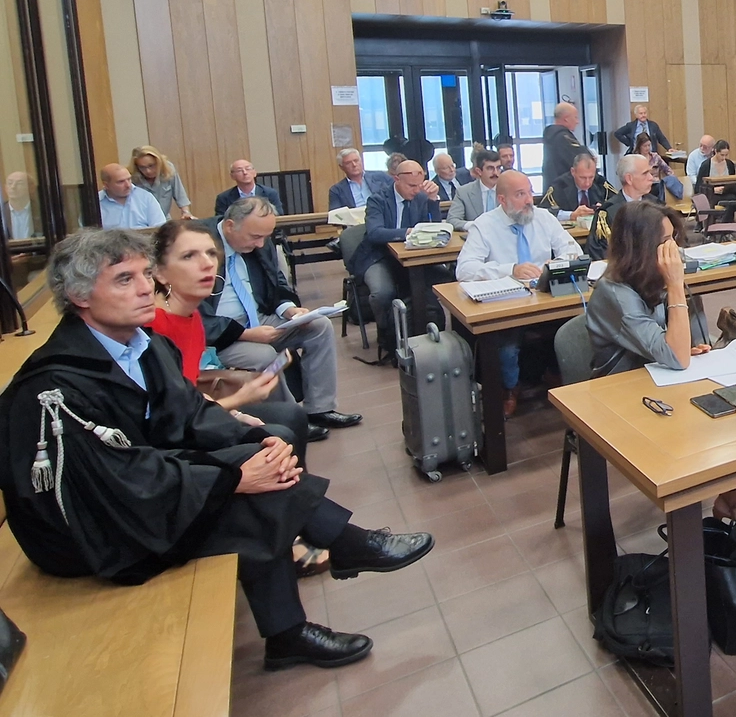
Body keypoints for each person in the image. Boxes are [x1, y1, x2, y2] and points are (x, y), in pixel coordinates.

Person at [0, 229, 435, 670]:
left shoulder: (139, 346)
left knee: (264, 453)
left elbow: (185, 418)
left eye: (145, 274)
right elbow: (119, 481)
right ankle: (332, 565)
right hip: (90, 529)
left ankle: (309, 599)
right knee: (246, 495)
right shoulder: (58, 386)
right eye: (124, 279)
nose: (146, 287)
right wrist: (233, 479)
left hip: (136, 490)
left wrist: (254, 441)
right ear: (79, 296)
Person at [589, 200, 736, 537]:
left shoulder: (653, 278)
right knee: (704, 419)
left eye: (673, 240)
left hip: (661, 381)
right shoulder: (613, 293)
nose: (673, 250)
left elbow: (684, 347)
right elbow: (676, 356)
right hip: (621, 398)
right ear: (639, 248)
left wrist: (686, 344)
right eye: (664, 243)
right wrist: (676, 287)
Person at [149, 220, 328, 448]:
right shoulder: (153, 326)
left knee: (291, 418)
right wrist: (241, 399)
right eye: (189, 256)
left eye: (211, 253)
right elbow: (172, 418)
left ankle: (320, 411)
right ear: (160, 273)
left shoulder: (192, 318)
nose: (207, 264)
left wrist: (234, 413)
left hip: (196, 411)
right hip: (170, 441)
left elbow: (189, 391)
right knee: (278, 436)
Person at [200, 198, 361, 429]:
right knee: (263, 355)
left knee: (319, 326)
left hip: (258, 317)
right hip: (221, 335)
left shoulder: (258, 240)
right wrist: (246, 334)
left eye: (265, 237)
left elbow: (275, 281)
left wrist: (290, 309)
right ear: (229, 226)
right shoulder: (199, 245)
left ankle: (320, 408)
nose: (260, 244)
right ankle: (290, 421)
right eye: (255, 237)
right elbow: (194, 316)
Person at [456, 172, 582, 414]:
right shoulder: (484, 225)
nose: (529, 200)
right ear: (502, 200)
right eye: (520, 194)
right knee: (506, 343)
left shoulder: (543, 218)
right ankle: (507, 390)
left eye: (529, 192)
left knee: (576, 325)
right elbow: (465, 269)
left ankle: (558, 375)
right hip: (507, 301)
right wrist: (510, 270)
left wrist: (554, 264)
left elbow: (572, 250)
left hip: (546, 297)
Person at [350, 159, 447, 360]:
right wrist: (407, 232)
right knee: (382, 292)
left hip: (411, 257)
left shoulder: (420, 197)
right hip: (379, 256)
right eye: (411, 186)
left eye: (419, 185)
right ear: (396, 179)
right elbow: (375, 233)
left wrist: (432, 199)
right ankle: (387, 335)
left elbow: (434, 227)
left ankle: (429, 334)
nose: (416, 190)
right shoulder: (378, 199)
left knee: (446, 281)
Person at [587, 154, 656, 260]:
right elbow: (600, 253)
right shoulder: (607, 213)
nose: (651, 178)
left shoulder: (657, 206)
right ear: (629, 179)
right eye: (645, 174)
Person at [541, 152, 615, 221]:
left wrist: (604, 209)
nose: (587, 183)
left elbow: (618, 203)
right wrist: (570, 215)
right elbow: (543, 212)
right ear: (573, 172)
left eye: (591, 177)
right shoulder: (560, 185)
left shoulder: (600, 183)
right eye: (582, 178)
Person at [130, 145, 194, 220]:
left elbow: (180, 194)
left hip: (164, 219)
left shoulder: (168, 168)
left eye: (151, 165)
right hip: (142, 221)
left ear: (158, 161)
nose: (148, 171)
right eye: (142, 167)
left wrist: (186, 212)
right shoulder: (132, 177)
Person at [98, 163, 168, 230]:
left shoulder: (146, 198)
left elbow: (159, 229)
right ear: (106, 185)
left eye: (129, 179)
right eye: (121, 182)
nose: (128, 185)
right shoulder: (96, 203)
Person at [448, 149, 503, 230]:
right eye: (490, 168)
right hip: (476, 238)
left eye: (498, 168)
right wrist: (476, 225)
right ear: (479, 171)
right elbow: (452, 220)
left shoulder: (509, 190)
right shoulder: (464, 192)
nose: (495, 173)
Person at [327, 148, 393, 210]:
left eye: (356, 160)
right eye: (348, 163)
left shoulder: (381, 177)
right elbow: (336, 215)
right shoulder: (336, 190)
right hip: (354, 220)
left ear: (361, 161)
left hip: (381, 216)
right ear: (341, 167)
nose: (354, 165)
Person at [542, 103, 590, 187]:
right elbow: (584, 159)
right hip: (564, 189)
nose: (577, 122)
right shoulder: (563, 138)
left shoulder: (551, 135)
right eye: (575, 117)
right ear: (566, 119)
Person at [214, 160, 284, 217]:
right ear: (232, 176)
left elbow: (278, 215)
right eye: (239, 170)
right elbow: (220, 221)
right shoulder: (224, 198)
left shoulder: (270, 193)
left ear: (254, 173)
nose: (245, 172)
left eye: (248, 169)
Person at [635, 131, 682, 201]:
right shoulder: (635, 159)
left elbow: (668, 170)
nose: (647, 148)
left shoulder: (655, 157)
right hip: (642, 186)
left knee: (663, 187)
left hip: (656, 184)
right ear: (639, 146)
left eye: (649, 145)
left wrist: (672, 178)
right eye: (645, 146)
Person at [4, 171, 35, 240]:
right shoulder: (2, 212)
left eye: (19, 183)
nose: (13, 187)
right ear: (5, 188)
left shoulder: (42, 211)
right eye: (10, 183)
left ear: (31, 188)